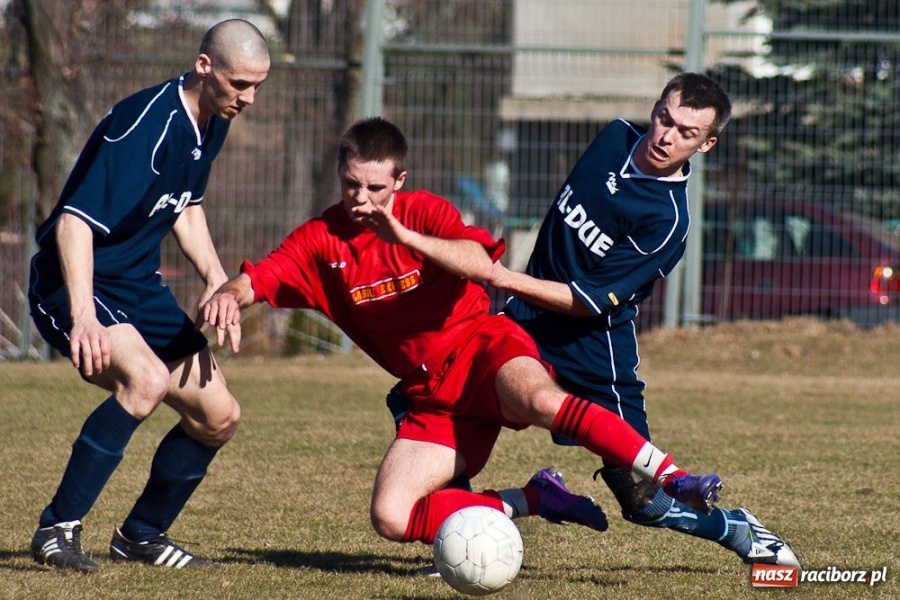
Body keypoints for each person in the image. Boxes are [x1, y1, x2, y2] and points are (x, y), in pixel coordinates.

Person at [202, 116, 725, 550]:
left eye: (376, 188)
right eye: (352, 185)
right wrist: (229, 293)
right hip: (431, 395)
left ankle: (673, 476)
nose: (362, 198)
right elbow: (261, 277)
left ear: (399, 182)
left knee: (543, 400)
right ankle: (535, 499)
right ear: (340, 176)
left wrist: (402, 234)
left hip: (483, 350)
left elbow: (478, 262)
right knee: (393, 517)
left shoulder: (426, 212)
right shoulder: (321, 240)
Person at [485, 72, 800, 567]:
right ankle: (466, 521)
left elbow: (584, 302)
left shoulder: (667, 221)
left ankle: (736, 529)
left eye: (686, 133)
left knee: (641, 501)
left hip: (593, 352)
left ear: (707, 145)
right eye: (663, 119)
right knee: (448, 406)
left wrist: (501, 279)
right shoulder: (612, 137)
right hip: (525, 317)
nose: (666, 136)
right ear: (654, 110)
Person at [27, 19, 270, 572]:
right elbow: (73, 224)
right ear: (204, 66)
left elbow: (184, 203)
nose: (249, 98)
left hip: (138, 287)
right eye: (240, 85)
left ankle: (141, 535)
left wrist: (214, 277)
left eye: (257, 86)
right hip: (78, 284)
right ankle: (56, 528)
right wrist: (84, 318)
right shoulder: (142, 127)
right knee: (147, 381)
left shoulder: (212, 117)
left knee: (219, 415)